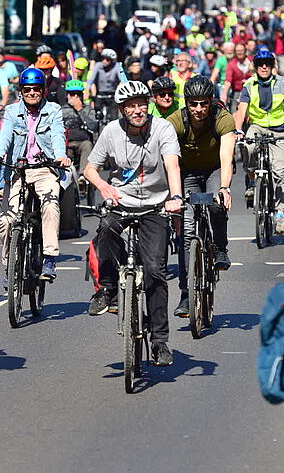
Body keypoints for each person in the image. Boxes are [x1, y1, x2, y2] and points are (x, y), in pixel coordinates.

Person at [83, 80, 183, 367]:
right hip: (122, 202)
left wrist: (175, 197)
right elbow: (90, 169)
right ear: (122, 110)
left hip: (155, 205)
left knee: (155, 272)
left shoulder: (162, 128)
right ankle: (108, 289)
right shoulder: (112, 132)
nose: (137, 110)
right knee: (105, 230)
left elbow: (172, 164)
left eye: (141, 104)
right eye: (131, 106)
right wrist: (104, 186)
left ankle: (160, 342)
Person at [0, 68, 70, 282]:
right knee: (8, 220)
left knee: (50, 204)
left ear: (43, 90)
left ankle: (49, 258)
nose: (32, 93)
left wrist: (60, 156)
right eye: (28, 90)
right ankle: (9, 267)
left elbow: (57, 135)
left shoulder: (53, 110)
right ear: (21, 91)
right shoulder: (11, 111)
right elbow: (5, 136)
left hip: (45, 169)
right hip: (18, 170)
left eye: (36, 89)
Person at [167, 76, 235, 317]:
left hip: (215, 169)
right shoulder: (174, 121)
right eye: (193, 104)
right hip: (187, 174)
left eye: (204, 103)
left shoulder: (223, 118)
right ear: (186, 103)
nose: (199, 109)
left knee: (216, 204)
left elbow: (226, 157)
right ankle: (186, 295)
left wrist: (224, 188)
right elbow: (168, 159)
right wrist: (172, 195)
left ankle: (220, 247)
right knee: (186, 233)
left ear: (211, 102)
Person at [233, 49, 284, 235]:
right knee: (247, 145)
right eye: (261, 64)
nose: (264, 67)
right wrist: (238, 129)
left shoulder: (282, 83)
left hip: (279, 129)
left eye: (268, 63)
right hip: (258, 126)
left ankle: (280, 212)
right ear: (255, 67)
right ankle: (250, 179)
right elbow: (241, 110)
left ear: (272, 66)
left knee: (280, 171)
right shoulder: (249, 85)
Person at [62, 79, 97, 175]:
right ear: (68, 95)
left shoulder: (88, 109)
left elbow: (93, 126)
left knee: (87, 145)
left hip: (82, 142)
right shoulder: (62, 110)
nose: (75, 97)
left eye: (78, 94)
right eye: (72, 94)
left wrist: (80, 110)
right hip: (68, 143)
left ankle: (84, 175)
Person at [220, 43, 253, 109]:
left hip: (252, 90)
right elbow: (228, 80)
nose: (239, 53)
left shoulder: (252, 61)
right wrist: (224, 94)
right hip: (237, 92)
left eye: (241, 50)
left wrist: (249, 81)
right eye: (237, 51)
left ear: (245, 51)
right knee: (235, 110)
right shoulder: (232, 64)